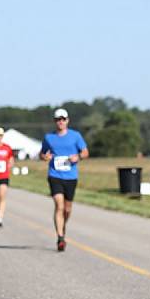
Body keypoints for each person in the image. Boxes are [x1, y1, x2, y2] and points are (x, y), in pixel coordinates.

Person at [40, 108, 89, 252]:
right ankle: (60, 237)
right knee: (59, 205)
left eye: (63, 119)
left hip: (71, 177)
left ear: (67, 120)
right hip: (55, 175)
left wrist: (78, 157)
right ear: (54, 122)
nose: (60, 122)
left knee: (67, 209)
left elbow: (85, 152)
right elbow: (42, 153)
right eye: (57, 120)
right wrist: (45, 157)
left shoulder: (75, 136)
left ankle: (62, 225)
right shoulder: (49, 137)